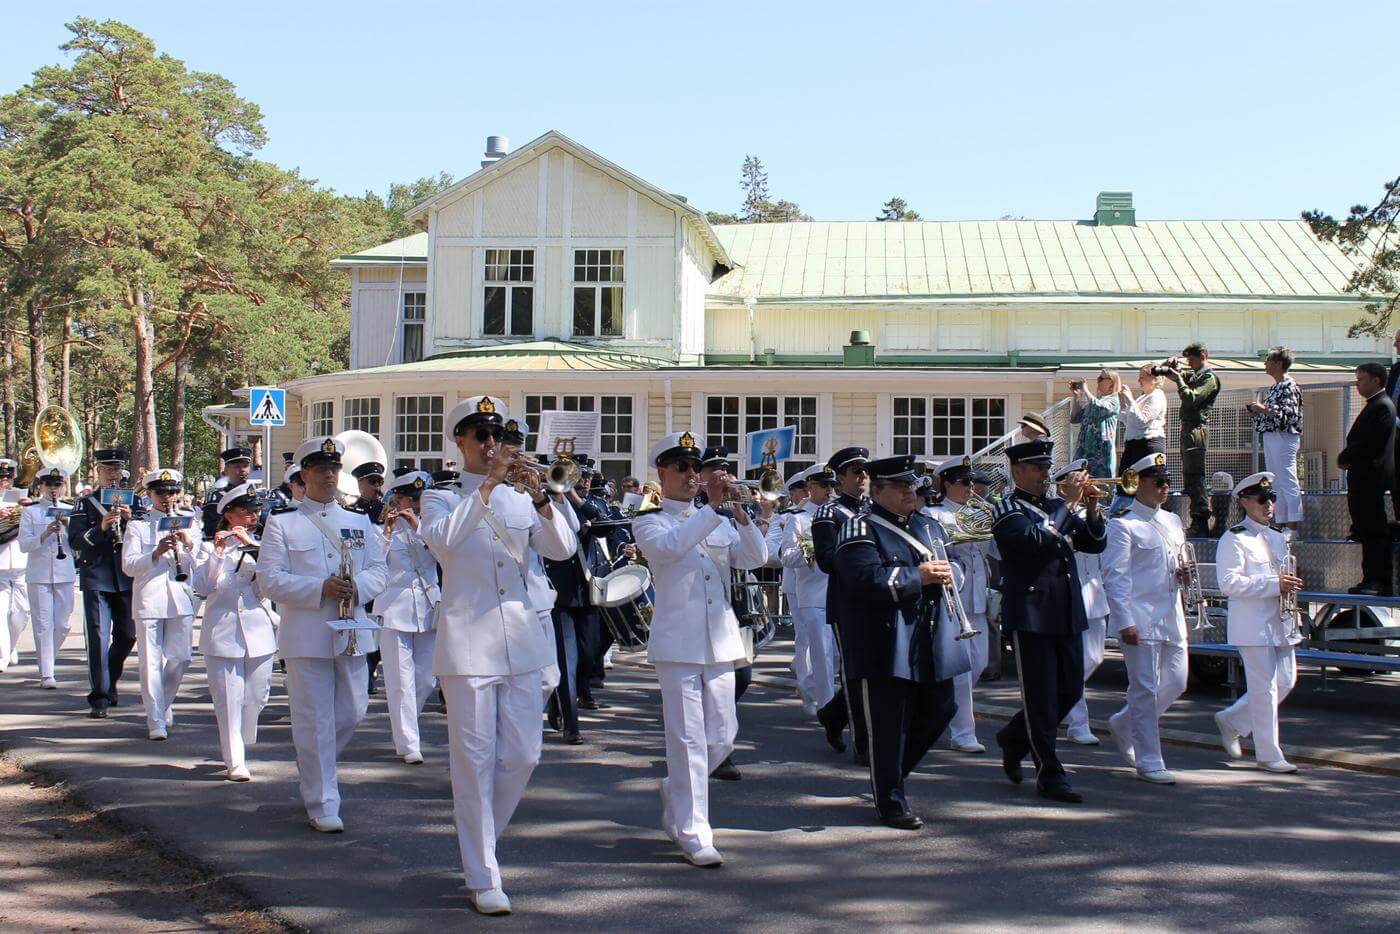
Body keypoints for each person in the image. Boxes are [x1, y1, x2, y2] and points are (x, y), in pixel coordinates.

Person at [420, 396, 575, 915]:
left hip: (521, 641)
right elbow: (442, 542)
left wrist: (543, 500)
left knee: (525, 754)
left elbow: (562, 550)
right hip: (467, 645)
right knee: (474, 760)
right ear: (459, 441)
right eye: (480, 436)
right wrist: (488, 485)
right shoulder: (440, 498)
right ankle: (483, 872)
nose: (491, 445)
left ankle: (481, 843)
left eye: (497, 436)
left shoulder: (518, 498)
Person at [632, 431, 766, 868]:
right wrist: (711, 507)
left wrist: (743, 515)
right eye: (683, 468)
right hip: (678, 641)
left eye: (696, 467)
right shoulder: (650, 519)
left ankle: (676, 788)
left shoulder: (718, 518)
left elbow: (754, 560)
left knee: (723, 736)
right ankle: (694, 831)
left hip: (721, 638)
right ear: (663, 473)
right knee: (687, 738)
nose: (692, 475)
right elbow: (668, 550)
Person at [259, 436, 389, 834]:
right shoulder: (283, 523)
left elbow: (380, 570)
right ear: (304, 475)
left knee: (354, 710)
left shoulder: (358, 522)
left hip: (352, 630)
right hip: (308, 633)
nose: (329, 475)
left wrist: (359, 587)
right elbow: (270, 580)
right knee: (315, 718)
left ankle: (312, 758)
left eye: (334, 468)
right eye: (320, 469)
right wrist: (320, 588)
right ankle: (322, 800)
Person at [833, 455, 958, 830]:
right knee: (889, 724)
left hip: (928, 632)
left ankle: (890, 774)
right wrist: (917, 576)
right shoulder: (859, 528)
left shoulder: (927, 525)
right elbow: (863, 579)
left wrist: (954, 576)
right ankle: (890, 799)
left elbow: (949, 566)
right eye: (902, 486)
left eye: (913, 486)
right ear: (878, 489)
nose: (910, 492)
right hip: (883, 637)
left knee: (942, 708)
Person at [990, 439, 1106, 804]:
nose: (1045, 475)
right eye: (1038, 468)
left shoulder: (1057, 506)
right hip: (1031, 612)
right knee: (1040, 697)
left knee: (1070, 689)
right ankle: (1049, 773)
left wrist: (1092, 507)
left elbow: (1093, 543)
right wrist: (1070, 505)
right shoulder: (1007, 509)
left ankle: (1013, 736)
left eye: (1046, 467)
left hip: (1066, 608)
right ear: (1017, 471)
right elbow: (1034, 541)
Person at [1102, 453, 1190, 785]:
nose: (1165, 488)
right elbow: (1115, 576)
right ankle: (1149, 760)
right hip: (1141, 615)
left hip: (1171, 614)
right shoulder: (1123, 524)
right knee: (1144, 688)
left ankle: (1125, 724)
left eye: (1167, 481)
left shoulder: (1172, 521)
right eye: (1158, 482)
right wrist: (1125, 621)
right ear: (1138, 484)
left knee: (1177, 681)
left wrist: (1184, 573)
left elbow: (1173, 563)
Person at [1213, 472, 1305, 774]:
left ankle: (1233, 720)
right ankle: (1268, 754)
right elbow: (1228, 583)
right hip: (1252, 623)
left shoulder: (1277, 538)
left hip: (1280, 621)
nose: (1269, 505)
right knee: (1264, 688)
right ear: (1244, 501)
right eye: (1262, 499)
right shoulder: (1234, 537)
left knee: (1287, 680)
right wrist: (1272, 584)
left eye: (1272, 499)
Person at [194, 481, 277, 780]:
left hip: (258, 628)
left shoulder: (268, 544)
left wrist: (254, 546)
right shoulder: (208, 547)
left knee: (256, 696)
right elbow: (202, 588)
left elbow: (275, 582)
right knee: (228, 700)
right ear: (229, 515)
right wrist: (217, 553)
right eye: (246, 512)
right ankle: (235, 760)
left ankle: (242, 741)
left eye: (256, 512)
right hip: (223, 630)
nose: (253, 518)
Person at [122, 469, 202, 740]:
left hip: (180, 598)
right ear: (149, 495)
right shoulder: (138, 525)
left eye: (172, 492)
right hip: (149, 599)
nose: (167, 497)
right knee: (150, 661)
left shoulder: (191, 522)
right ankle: (155, 718)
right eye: (161, 492)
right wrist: (155, 553)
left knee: (181, 658)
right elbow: (129, 566)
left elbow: (201, 567)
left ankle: (163, 704)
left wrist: (188, 545)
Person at [927, 456, 993, 754]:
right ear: (948, 484)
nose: (971, 488)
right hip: (954, 597)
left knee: (978, 663)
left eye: (973, 482)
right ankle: (963, 732)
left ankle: (941, 712)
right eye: (965, 483)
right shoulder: (935, 515)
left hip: (979, 596)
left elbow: (995, 552)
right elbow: (935, 554)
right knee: (963, 669)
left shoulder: (980, 512)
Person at [68, 449, 140, 718]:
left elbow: (147, 535)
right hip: (97, 576)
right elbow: (75, 541)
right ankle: (99, 696)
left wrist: (130, 520)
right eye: (107, 469)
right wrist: (100, 528)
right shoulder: (85, 504)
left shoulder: (136, 502)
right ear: (98, 472)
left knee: (128, 635)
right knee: (98, 638)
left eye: (117, 469)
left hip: (126, 576)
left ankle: (110, 680)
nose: (113, 474)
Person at [812, 447, 872, 763]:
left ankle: (834, 714)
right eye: (856, 471)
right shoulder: (829, 514)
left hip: (878, 600)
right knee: (855, 672)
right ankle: (864, 743)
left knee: (874, 671)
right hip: (847, 601)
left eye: (865, 471)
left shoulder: (876, 510)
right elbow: (825, 560)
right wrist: (865, 566)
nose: (863, 476)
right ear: (840, 478)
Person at [376, 471, 440, 764]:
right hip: (395, 607)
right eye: (407, 500)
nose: (412, 506)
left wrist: (420, 527)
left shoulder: (433, 528)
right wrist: (387, 533)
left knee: (426, 679)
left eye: (417, 500)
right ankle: (408, 742)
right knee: (400, 679)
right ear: (395, 499)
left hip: (428, 606)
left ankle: (404, 725)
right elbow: (372, 563)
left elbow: (445, 555)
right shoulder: (380, 530)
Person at [1053, 460, 1110, 747]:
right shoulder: (1057, 514)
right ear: (1065, 485)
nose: (1087, 486)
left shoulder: (1094, 512)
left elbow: (1100, 543)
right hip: (1070, 594)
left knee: (1095, 658)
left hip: (1095, 595)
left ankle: (1055, 695)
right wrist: (1074, 506)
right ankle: (1078, 723)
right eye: (1081, 482)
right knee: (1077, 663)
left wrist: (1092, 507)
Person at [780, 466, 838, 718]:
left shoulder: (840, 513)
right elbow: (788, 556)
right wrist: (816, 550)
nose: (829, 491)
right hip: (812, 593)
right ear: (811, 488)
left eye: (832, 486)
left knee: (836, 654)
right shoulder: (798, 517)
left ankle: (807, 686)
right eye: (824, 486)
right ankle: (827, 709)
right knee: (822, 654)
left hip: (840, 591)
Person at [1339, 362, 1396, 595]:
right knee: (1365, 528)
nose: (1357, 383)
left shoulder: (1382, 406)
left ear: (1376, 380)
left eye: (1361, 379)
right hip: (1362, 477)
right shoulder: (1374, 405)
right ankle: (1370, 577)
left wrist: (1347, 456)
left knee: (1374, 531)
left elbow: (1371, 443)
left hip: (1371, 478)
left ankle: (1378, 580)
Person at [19, 466, 78, 689]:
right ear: (41, 486)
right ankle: (47, 673)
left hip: (64, 572)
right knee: (43, 624)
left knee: (62, 625)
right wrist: (43, 535)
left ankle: (47, 661)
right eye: (49, 485)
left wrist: (67, 526)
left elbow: (79, 543)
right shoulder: (31, 512)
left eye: (57, 484)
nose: (53, 489)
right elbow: (24, 545)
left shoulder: (70, 510)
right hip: (39, 573)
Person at [1164, 343, 1222, 536]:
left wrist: (1180, 380)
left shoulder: (1209, 379)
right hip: (1188, 428)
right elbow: (1173, 373)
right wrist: (1172, 365)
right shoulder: (1196, 376)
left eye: (1192, 359)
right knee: (1190, 476)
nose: (1189, 363)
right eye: (1187, 360)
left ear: (1203, 356)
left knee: (1196, 477)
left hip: (1197, 429)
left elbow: (1190, 398)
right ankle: (1196, 519)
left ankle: (1201, 520)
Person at [1247, 347, 1304, 532]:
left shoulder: (1289, 385)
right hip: (1272, 436)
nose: (1265, 364)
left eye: (1269, 360)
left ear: (1279, 364)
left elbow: (1287, 414)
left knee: (1287, 478)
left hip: (1284, 436)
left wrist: (1262, 408)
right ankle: (1281, 523)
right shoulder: (1276, 387)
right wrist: (1258, 411)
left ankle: (1293, 526)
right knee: (1276, 480)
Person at [765, 473, 807, 708]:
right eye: (803, 489)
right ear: (792, 493)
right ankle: (808, 689)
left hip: (831, 585)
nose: (810, 493)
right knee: (807, 638)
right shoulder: (786, 517)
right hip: (798, 583)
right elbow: (770, 553)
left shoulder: (834, 512)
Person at [0, 458, 29, 674]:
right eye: (1, 477)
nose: (4, 481)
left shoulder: (20, 496)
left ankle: (11, 644)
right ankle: (2, 655)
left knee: (21, 611)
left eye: (7, 476)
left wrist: (27, 510)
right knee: (1, 612)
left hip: (20, 560)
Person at [1069, 370, 1121, 479]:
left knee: (1100, 489)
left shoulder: (1113, 400)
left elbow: (1099, 407)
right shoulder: (1095, 401)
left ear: (1111, 382)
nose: (1098, 382)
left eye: (1101, 379)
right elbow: (1075, 418)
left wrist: (1086, 389)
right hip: (1084, 455)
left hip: (1101, 457)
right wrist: (1076, 397)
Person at [1118, 366, 1168, 469]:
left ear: (1154, 379)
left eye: (1142, 377)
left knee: (1146, 482)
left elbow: (1142, 422)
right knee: (1125, 481)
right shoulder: (1143, 397)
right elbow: (1128, 421)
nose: (1138, 380)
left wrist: (1130, 399)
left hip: (1147, 445)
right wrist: (1122, 403)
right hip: (1133, 446)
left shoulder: (1157, 396)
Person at [201, 447, 253, 538]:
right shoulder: (217, 498)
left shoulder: (256, 495)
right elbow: (212, 530)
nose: (242, 470)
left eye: (245, 466)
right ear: (226, 471)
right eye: (237, 466)